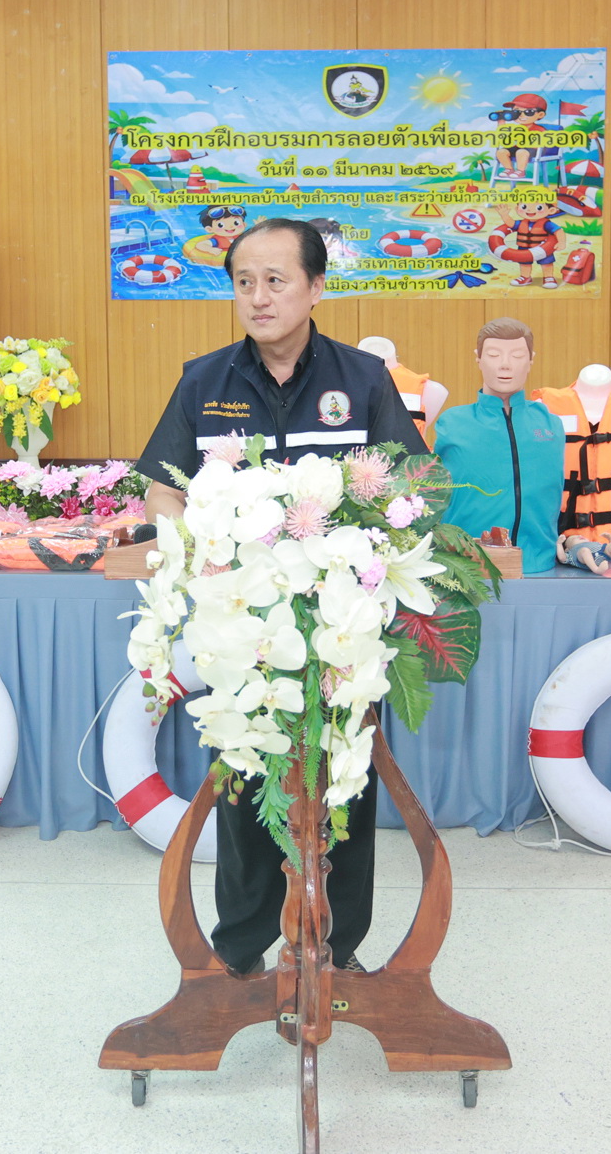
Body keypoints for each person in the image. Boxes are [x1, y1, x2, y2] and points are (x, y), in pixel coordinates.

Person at [136, 217, 425, 977]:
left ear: (316, 286)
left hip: (342, 625)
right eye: (244, 283)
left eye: (275, 280)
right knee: (244, 780)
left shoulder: (363, 379)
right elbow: (163, 488)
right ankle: (240, 950)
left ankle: (338, 948)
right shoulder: (204, 381)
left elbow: (412, 486)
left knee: (344, 781)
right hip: (243, 624)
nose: (258, 297)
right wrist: (190, 539)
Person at [432, 318, 564, 573]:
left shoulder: (550, 424)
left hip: (538, 565)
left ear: (531, 360)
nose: (505, 364)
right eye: (493, 355)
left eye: (517, 355)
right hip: (468, 568)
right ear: (478, 359)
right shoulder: (453, 423)